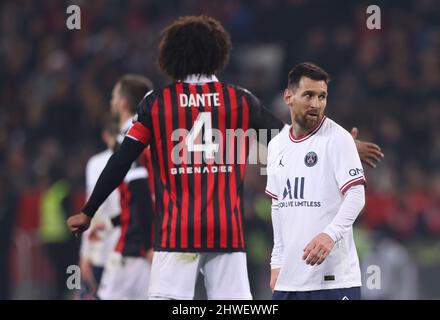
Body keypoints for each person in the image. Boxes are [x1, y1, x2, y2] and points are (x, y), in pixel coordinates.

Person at [68, 15, 382, 300]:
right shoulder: (239, 100)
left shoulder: (157, 103)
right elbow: (292, 138)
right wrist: (339, 144)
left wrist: (88, 210)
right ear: (219, 54)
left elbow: (121, 160)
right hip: (225, 229)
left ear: (172, 55)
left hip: (177, 232)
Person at [266, 62, 366, 300]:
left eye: (322, 96)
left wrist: (329, 235)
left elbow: (356, 195)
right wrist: (277, 261)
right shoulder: (275, 146)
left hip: (333, 281)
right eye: (308, 95)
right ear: (288, 97)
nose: (316, 104)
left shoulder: (338, 139)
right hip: (289, 281)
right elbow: (278, 206)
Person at [95, 74, 155, 300]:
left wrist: (148, 245)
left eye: (113, 96)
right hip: (148, 241)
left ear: (121, 102)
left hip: (134, 248)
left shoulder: (130, 137)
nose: (111, 101)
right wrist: (112, 222)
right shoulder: (153, 135)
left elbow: (140, 191)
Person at [78, 120, 121, 299]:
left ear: (105, 136)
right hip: (133, 247)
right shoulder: (142, 158)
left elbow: (93, 210)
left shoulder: (96, 163)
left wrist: (85, 252)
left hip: (102, 248)